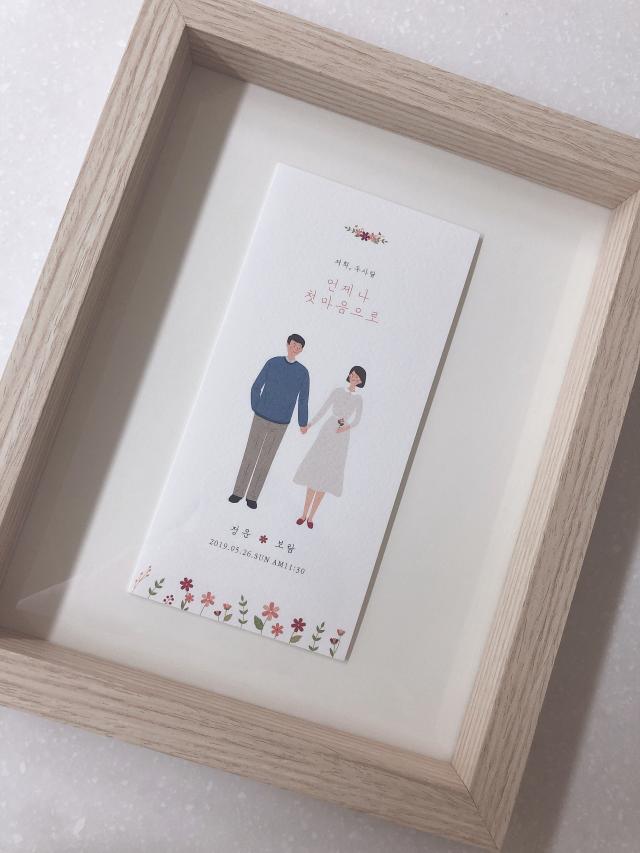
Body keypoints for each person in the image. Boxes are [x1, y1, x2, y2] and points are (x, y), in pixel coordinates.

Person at [229, 334, 309, 509]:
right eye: (293, 344)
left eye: (299, 347)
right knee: (250, 454)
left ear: (301, 350)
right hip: (261, 416)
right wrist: (257, 406)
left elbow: (303, 399)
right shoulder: (273, 363)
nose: (295, 348)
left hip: (281, 422)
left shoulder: (303, 373)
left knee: (266, 460)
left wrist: (302, 422)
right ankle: (238, 492)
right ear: (287, 344)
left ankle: (252, 496)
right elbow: (257, 385)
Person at [293, 365, 366, 528]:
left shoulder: (358, 399)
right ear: (349, 375)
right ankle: (303, 514)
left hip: (341, 436)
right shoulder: (338, 391)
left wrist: (346, 427)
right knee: (315, 471)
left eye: (357, 377)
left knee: (327, 475)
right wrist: (309, 424)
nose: (354, 378)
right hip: (328, 430)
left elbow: (357, 419)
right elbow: (324, 409)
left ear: (361, 381)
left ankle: (311, 517)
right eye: (353, 374)